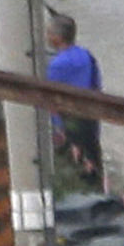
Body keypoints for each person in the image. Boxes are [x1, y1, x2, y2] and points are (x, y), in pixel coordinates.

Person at [40, 13, 105, 192]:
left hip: (69, 123)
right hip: (90, 119)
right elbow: (97, 86)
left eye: (48, 33)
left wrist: (58, 127)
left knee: (73, 168)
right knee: (93, 160)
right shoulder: (87, 56)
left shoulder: (57, 65)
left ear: (57, 38)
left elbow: (52, 98)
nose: (47, 37)